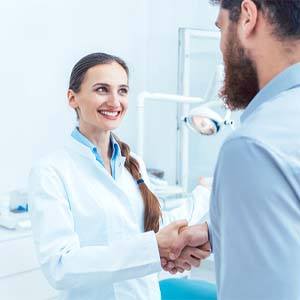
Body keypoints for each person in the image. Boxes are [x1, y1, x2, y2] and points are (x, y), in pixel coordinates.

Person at [28, 52, 210, 300]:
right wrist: (154, 249)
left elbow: (152, 229)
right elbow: (61, 266)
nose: (115, 101)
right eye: (102, 89)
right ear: (73, 98)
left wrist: (202, 198)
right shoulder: (51, 171)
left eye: (122, 90)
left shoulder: (133, 162)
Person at [169, 0, 300, 299]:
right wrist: (220, 231)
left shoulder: (254, 147)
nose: (221, 47)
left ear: (248, 18)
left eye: (220, 28)